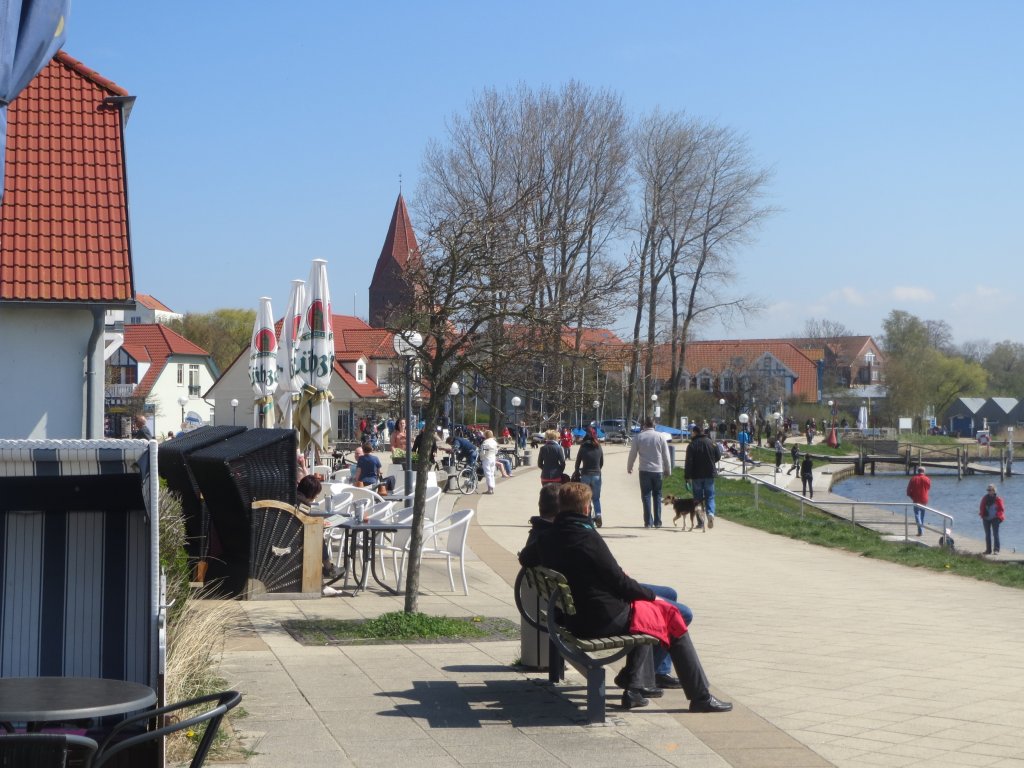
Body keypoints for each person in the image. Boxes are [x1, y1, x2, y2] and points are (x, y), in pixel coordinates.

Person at [520, 482, 731, 713]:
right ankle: (699, 696)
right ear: (586, 509)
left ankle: (635, 681)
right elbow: (619, 582)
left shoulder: (548, 537)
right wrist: (652, 597)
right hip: (601, 619)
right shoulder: (587, 538)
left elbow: (526, 558)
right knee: (672, 615)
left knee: (648, 614)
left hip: (573, 617)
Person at [627, 418, 673, 529]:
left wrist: (630, 467)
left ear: (644, 425)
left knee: (646, 496)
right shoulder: (660, 436)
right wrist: (668, 470)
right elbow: (666, 455)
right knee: (657, 495)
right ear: (654, 425)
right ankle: (657, 522)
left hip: (644, 470)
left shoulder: (639, 437)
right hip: (658, 470)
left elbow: (632, 453)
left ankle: (648, 522)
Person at [684, 424, 722, 529]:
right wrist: (711, 461)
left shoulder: (692, 445)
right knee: (710, 496)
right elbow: (718, 456)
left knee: (698, 499)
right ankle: (710, 513)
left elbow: (688, 462)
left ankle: (700, 522)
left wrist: (687, 476)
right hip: (709, 474)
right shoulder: (711, 442)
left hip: (696, 476)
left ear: (695, 432)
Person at [574, 428, 604, 527]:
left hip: (585, 474)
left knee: (586, 498)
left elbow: (577, 462)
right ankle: (598, 515)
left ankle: (588, 518)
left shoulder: (583, 447)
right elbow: (601, 462)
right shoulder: (598, 446)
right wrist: (597, 469)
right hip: (596, 475)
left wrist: (577, 471)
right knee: (596, 498)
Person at [979, 484, 1005, 555]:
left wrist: (998, 516)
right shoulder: (985, 498)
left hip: (995, 518)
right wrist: (982, 514)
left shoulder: (998, 499)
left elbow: (1002, 509)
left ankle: (996, 550)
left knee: (995, 534)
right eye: (988, 490)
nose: (989, 491)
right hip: (986, 518)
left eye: (990, 490)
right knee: (987, 534)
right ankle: (988, 550)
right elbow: (981, 507)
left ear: (994, 491)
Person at [905, 466, 931, 536]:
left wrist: (912, 496)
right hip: (924, 499)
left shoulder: (913, 479)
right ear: (924, 472)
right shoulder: (927, 479)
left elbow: (908, 491)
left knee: (917, 515)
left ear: (917, 471)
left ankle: (920, 530)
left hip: (916, 499)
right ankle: (921, 530)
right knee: (922, 515)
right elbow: (928, 488)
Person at [480, 430, 499, 494]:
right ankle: (492, 488)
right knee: (492, 473)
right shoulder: (494, 442)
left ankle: (489, 489)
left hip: (486, 458)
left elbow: (483, 452)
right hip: (493, 458)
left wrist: (481, 457)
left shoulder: (485, 442)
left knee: (487, 474)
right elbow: (496, 451)